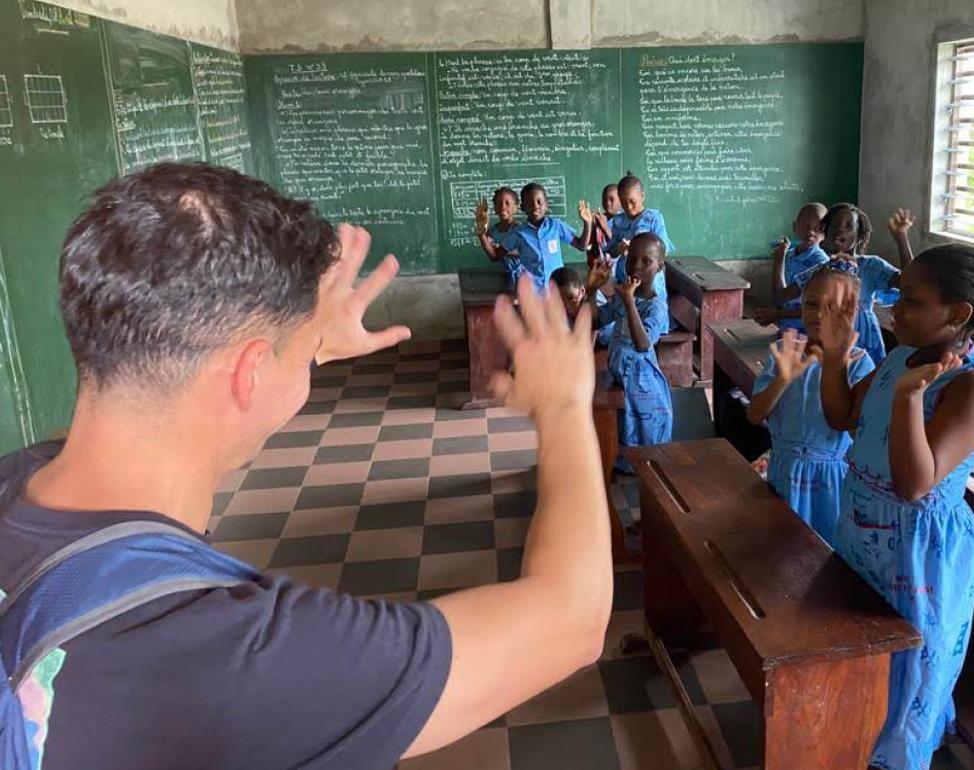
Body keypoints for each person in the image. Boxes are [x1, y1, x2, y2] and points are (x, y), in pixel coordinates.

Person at [0, 163, 613, 770]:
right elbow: (573, 619)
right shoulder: (238, 658)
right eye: (297, 357)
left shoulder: (20, 480)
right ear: (249, 372)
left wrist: (301, 346)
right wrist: (562, 405)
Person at [819, 243, 974, 770]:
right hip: (863, 534)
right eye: (898, 297)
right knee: (863, 668)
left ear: (957, 314)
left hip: (917, 556)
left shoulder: (973, 387)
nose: (895, 310)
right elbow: (843, 418)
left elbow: (913, 484)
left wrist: (908, 400)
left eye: (912, 303)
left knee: (907, 685)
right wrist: (833, 359)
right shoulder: (898, 358)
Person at [746, 268, 874, 542]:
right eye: (811, 304)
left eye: (833, 307)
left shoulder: (859, 363)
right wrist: (783, 379)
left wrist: (834, 363)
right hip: (784, 470)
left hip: (831, 479)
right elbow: (755, 415)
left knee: (826, 548)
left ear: (851, 312)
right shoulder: (785, 351)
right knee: (780, 546)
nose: (818, 315)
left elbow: (857, 432)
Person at [588, 232, 671, 470]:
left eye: (646, 261)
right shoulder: (624, 295)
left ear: (659, 267)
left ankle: (643, 470)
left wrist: (629, 302)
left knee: (643, 429)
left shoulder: (656, 306)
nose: (636, 266)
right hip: (620, 376)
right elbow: (595, 321)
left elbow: (642, 344)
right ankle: (620, 463)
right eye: (631, 258)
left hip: (642, 382)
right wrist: (593, 290)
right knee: (624, 424)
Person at [798, 203, 913, 366]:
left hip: (862, 337)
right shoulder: (820, 270)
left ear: (859, 236)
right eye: (835, 225)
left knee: (861, 379)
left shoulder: (871, 266)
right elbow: (789, 295)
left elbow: (909, 282)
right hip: (826, 333)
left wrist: (901, 238)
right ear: (826, 232)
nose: (840, 229)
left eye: (848, 226)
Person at [486, 182, 595, 290]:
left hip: (558, 290)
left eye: (539, 202)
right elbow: (495, 256)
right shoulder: (519, 233)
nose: (535, 206)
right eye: (529, 203)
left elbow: (582, 246)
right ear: (523, 207)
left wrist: (588, 223)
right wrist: (481, 234)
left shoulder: (555, 226)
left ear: (546, 205)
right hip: (533, 294)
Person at [753, 202, 829, 332]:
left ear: (824, 233)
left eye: (818, 228)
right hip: (784, 325)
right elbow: (778, 295)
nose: (810, 232)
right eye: (805, 226)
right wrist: (769, 314)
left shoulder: (822, 263)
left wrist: (777, 313)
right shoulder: (787, 255)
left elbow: (819, 308)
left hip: (808, 329)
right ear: (795, 227)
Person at [603, 172, 674, 301]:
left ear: (642, 196)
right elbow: (610, 250)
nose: (629, 207)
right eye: (624, 203)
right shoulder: (618, 220)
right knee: (625, 316)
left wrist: (638, 249)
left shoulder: (653, 218)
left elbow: (664, 250)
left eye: (632, 202)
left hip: (650, 284)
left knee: (649, 314)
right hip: (625, 280)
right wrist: (619, 248)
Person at [473, 186, 520, 271]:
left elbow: (524, 251)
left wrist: (501, 249)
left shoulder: (520, 229)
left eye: (507, 203)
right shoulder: (492, 231)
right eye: (499, 203)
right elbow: (493, 256)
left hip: (521, 276)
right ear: (495, 208)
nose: (503, 206)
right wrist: (481, 234)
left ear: (515, 208)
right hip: (500, 276)